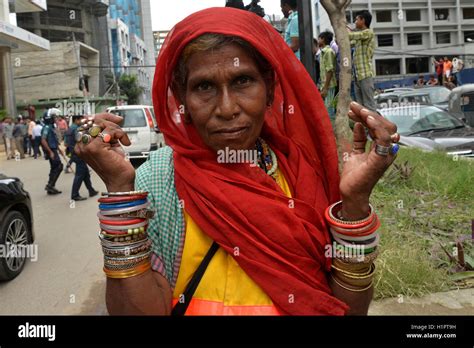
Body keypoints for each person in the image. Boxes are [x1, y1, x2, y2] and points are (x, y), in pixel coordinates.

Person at [76, 8, 399, 316]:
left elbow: (347, 309)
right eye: (204, 87)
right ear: (181, 96)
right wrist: (119, 191)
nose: (227, 108)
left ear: (270, 88)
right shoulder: (159, 181)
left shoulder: (304, 172)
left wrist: (355, 203)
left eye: (243, 81)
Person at [348, 10, 377, 111]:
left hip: (365, 75)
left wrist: (345, 31)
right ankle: (364, 127)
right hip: (357, 76)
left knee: (369, 106)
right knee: (361, 108)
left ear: (363, 20)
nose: (355, 22)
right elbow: (347, 42)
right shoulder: (359, 38)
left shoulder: (368, 33)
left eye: (356, 19)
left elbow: (352, 36)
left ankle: (373, 126)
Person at [65, 115, 98, 201]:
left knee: (85, 173)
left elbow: (67, 142)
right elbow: (80, 140)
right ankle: (74, 195)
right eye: (80, 119)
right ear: (76, 120)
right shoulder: (76, 129)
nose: (81, 121)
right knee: (79, 175)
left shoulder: (70, 128)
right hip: (78, 154)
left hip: (74, 153)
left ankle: (91, 190)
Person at [41, 109, 64, 195]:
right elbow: (43, 140)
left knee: (54, 167)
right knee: (58, 166)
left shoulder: (51, 127)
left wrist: (59, 149)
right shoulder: (47, 127)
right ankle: (50, 185)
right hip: (50, 150)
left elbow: (53, 140)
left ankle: (50, 186)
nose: (56, 119)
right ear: (49, 118)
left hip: (54, 149)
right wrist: (50, 152)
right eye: (54, 117)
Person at [318, 30, 337, 124]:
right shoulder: (323, 52)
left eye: (319, 38)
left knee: (329, 111)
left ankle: (332, 133)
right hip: (325, 85)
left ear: (323, 39)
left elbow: (330, 70)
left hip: (329, 86)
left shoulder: (328, 52)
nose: (318, 40)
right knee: (326, 110)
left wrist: (325, 87)